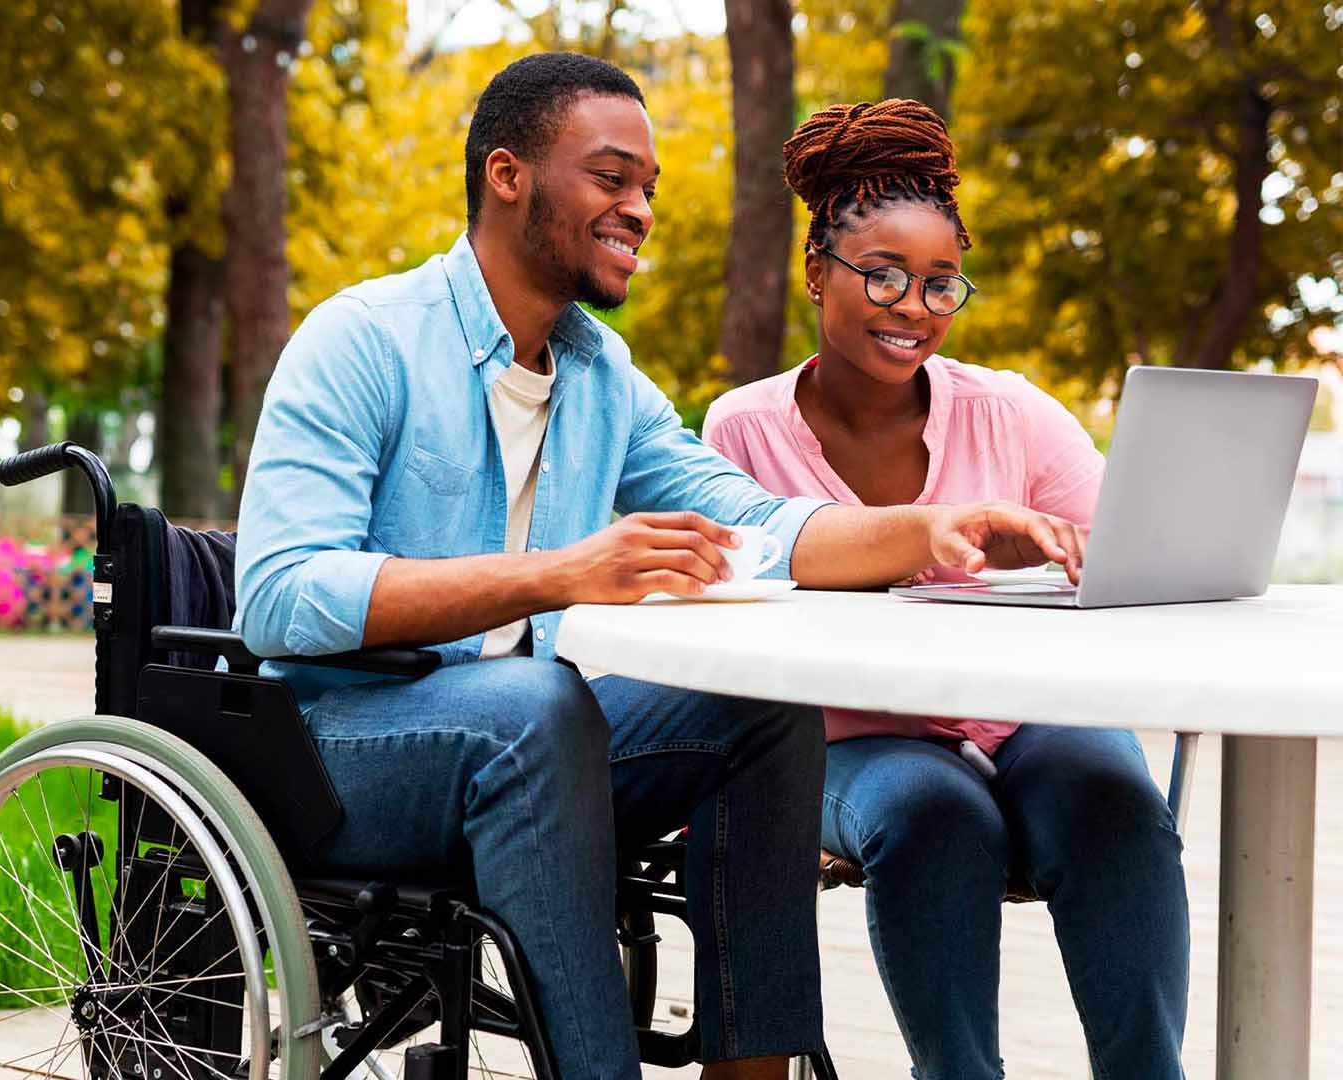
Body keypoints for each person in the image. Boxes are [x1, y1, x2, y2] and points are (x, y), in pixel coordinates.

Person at [234, 55, 1085, 1080]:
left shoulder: (601, 376)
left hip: (523, 729)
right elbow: (279, 595)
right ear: (507, 174)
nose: (639, 209)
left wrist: (938, 525)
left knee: (761, 703)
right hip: (342, 750)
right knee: (536, 705)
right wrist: (558, 574)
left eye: (649, 189)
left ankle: (754, 1071)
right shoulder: (363, 339)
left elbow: (757, 525)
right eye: (610, 179)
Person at [703, 99, 1188, 1080]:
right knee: (938, 816)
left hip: (1025, 717)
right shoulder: (744, 432)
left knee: (1114, 801)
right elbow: (736, 609)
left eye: (938, 284)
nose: (911, 306)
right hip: (850, 741)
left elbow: (1125, 552)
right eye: (881, 275)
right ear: (815, 273)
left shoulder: (1011, 413)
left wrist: (1057, 550)